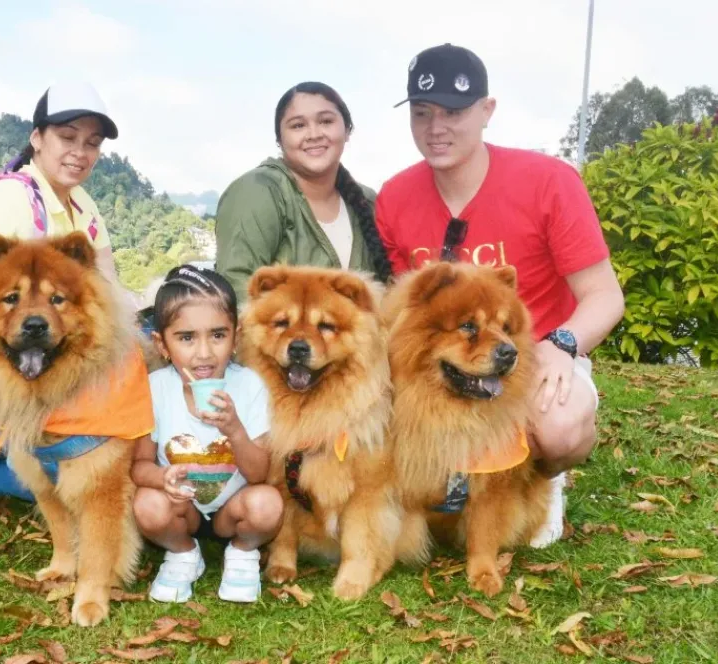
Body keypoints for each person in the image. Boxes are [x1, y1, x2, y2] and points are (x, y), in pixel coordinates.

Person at [374, 44, 625, 546]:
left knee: (559, 429)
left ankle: (544, 481)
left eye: (454, 111)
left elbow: (604, 296)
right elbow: (405, 313)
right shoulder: (394, 197)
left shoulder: (550, 181)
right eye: (422, 113)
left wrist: (562, 345)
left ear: (487, 111)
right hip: (449, 360)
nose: (436, 127)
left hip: (538, 355)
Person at [0, 81, 122, 525]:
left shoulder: (83, 207)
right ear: (37, 138)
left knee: (114, 450)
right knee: (80, 468)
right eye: (67, 137)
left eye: (91, 143)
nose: (80, 151)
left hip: (47, 364)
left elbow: (110, 290)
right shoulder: (10, 199)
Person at [131, 265, 283, 603]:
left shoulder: (250, 386)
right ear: (163, 344)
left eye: (217, 335)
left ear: (235, 336)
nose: (204, 353)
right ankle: (184, 552)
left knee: (268, 504)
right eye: (186, 338)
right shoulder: (155, 389)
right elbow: (139, 466)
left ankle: (243, 551)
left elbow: (260, 474)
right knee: (146, 505)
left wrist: (235, 430)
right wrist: (161, 477)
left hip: (233, 508)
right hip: (181, 507)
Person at [214, 82, 392, 302]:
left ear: (347, 130)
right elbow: (235, 290)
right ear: (279, 139)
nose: (314, 134)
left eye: (326, 121)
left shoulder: (368, 201)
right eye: (298, 126)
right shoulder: (257, 192)